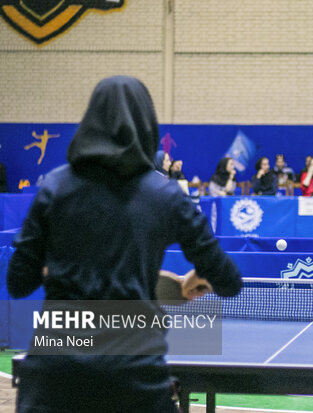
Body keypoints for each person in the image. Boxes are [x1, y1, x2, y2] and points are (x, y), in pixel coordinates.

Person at [6, 76, 242, 413]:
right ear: (147, 126)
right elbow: (230, 282)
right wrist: (198, 276)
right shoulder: (166, 196)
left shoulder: (54, 187)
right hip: (135, 377)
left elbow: (18, 282)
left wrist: (63, 269)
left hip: (55, 377)